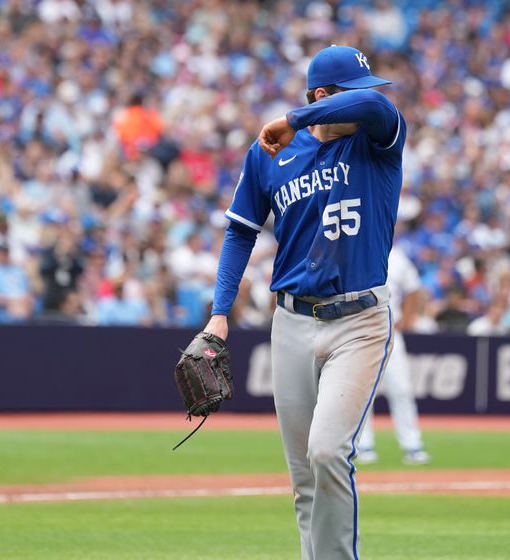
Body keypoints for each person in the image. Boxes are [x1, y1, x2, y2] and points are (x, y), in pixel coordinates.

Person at [203, 45, 406, 560]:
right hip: (291, 322)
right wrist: (220, 313)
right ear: (324, 95)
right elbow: (240, 233)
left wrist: (294, 117)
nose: (367, 97)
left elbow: (379, 108)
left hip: (359, 321)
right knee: (303, 478)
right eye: (353, 90)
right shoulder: (270, 156)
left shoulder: (375, 140)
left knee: (328, 451)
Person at [357, 246, 430, 465]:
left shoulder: (397, 256)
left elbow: (414, 290)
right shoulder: (355, 248)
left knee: (401, 390)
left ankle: (412, 445)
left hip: (391, 332)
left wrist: (408, 318)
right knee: (362, 393)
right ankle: (363, 445)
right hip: (360, 332)